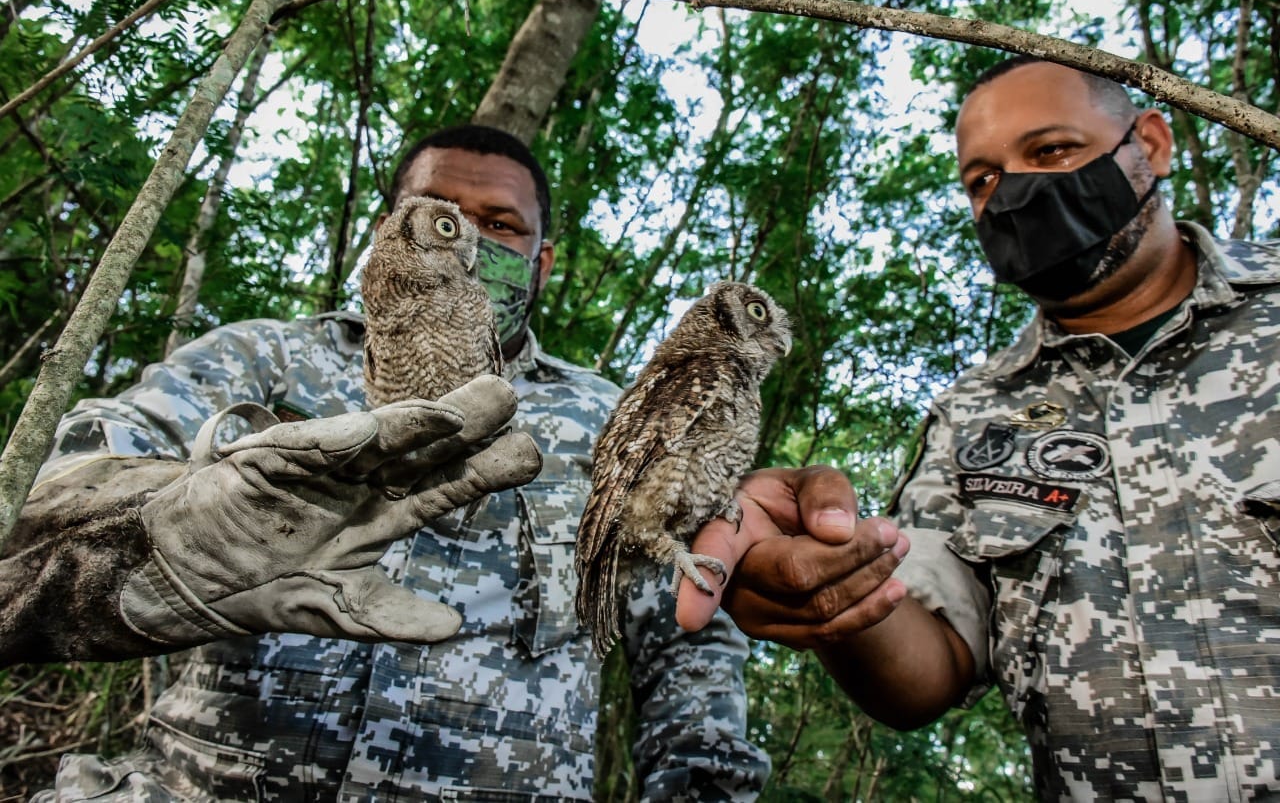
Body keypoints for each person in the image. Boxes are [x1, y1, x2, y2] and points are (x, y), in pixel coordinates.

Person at [7, 125, 769, 800]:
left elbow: (689, 644)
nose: (469, 238)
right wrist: (172, 530)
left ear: (540, 265)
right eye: (443, 213)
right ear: (390, 227)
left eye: (502, 225)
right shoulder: (265, 359)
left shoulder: (620, 416)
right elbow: (45, 507)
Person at [677, 57, 1280, 799]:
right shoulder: (976, 412)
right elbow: (928, 665)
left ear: (1149, 144)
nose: (1016, 192)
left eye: (1052, 150)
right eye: (983, 180)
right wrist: (827, 576)